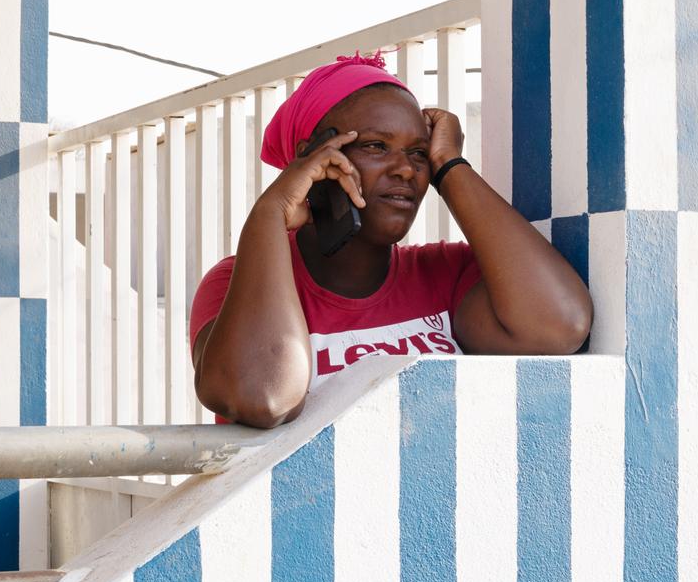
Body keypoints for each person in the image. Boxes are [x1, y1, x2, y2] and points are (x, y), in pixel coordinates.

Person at [191, 53, 592, 427]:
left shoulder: (446, 273)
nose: (405, 170)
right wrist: (271, 212)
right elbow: (261, 397)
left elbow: (561, 326)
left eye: (418, 153)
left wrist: (449, 166)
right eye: (376, 146)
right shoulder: (233, 283)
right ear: (310, 156)